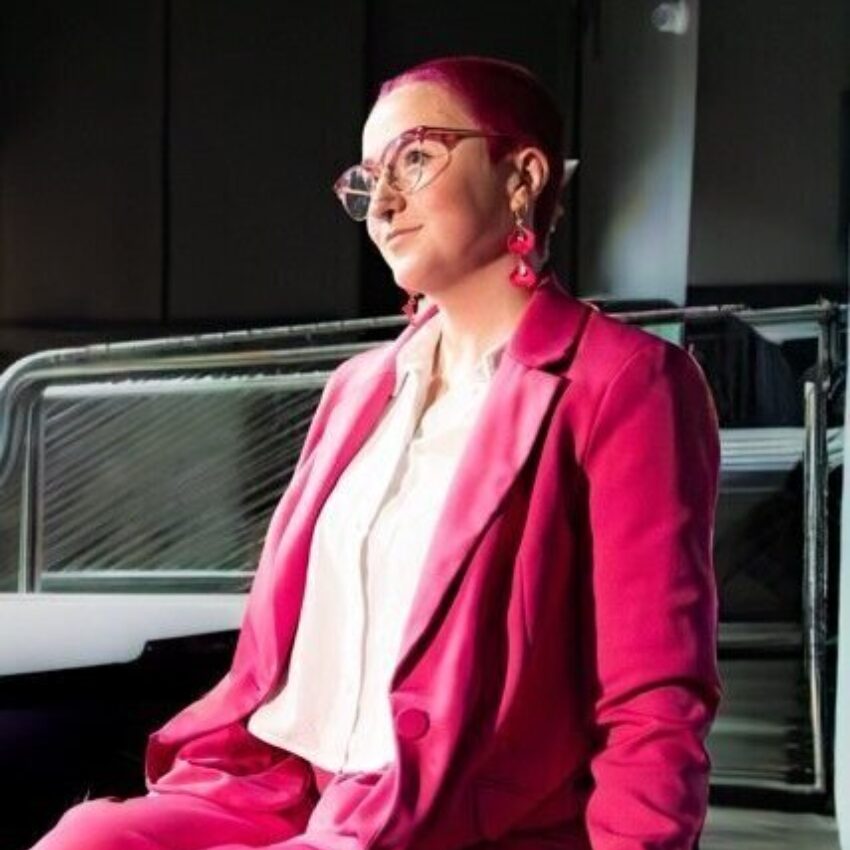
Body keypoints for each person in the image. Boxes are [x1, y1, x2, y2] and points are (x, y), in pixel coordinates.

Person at [31, 55, 721, 850]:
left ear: (522, 176)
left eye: (416, 158)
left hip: (448, 813)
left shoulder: (625, 381)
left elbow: (653, 698)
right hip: (282, 783)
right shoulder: (359, 386)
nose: (382, 203)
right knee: (88, 838)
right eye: (367, 179)